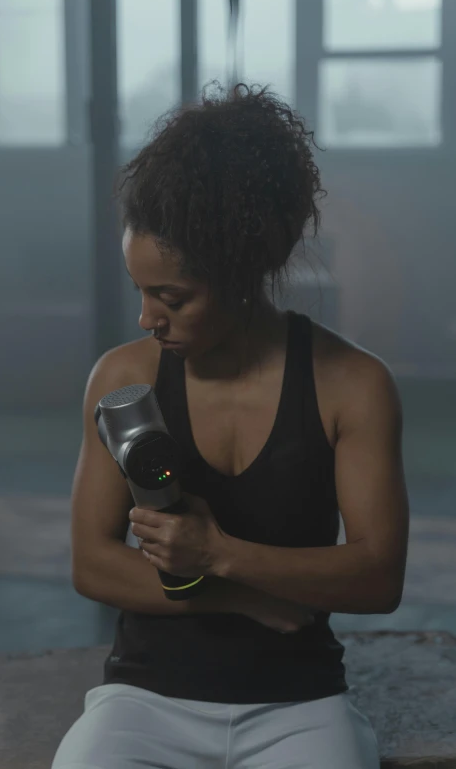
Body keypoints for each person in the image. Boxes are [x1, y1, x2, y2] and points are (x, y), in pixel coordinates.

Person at [52, 83, 409, 769]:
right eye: (141, 291)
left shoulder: (353, 385)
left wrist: (220, 552)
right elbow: (91, 561)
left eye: (172, 297)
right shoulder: (121, 378)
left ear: (243, 275)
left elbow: (377, 576)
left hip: (298, 704)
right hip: (145, 698)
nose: (147, 318)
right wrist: (236, 596)